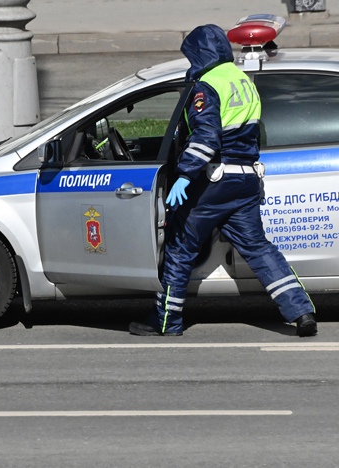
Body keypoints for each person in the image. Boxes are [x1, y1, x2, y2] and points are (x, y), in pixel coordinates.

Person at [129, 24, 317, 337]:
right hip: (245, 181)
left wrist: (184, 176)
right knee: (258, 249)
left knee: (179, 247)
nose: (191, 64)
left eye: (191, 57)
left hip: (213, 182)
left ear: (200, 54)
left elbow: (206, 137)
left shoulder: (207, 86)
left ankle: (166, 321)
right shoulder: (242, 80)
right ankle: (301, 311)